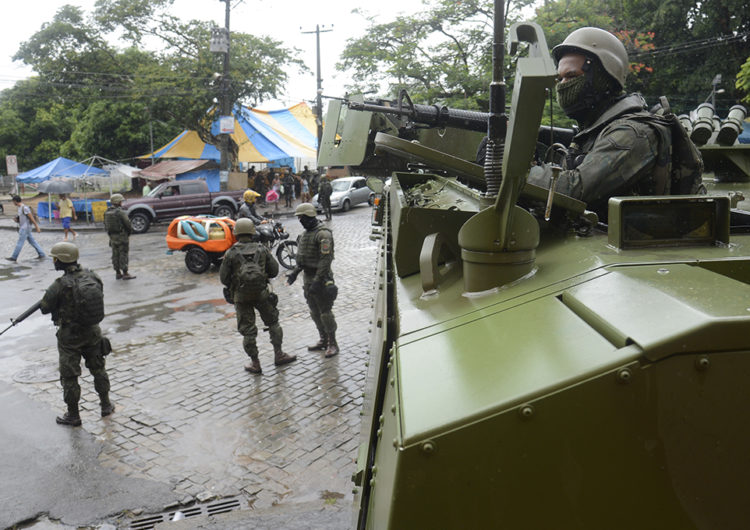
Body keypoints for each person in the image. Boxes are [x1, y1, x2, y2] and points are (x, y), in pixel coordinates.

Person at [526, 27, 703, 221]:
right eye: (560, 78)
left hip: (641, 245)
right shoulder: (596, 131)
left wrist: (514, 172)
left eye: (572, 76)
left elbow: (574, 190)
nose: (562, 86)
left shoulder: (632, 133)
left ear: (603, 77)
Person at [41, 242, 114, 426]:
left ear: (62, 260)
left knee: (70, 375)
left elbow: (44, 307)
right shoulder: (92, 276)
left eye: (55, 258)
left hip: (70, 337)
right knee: (98, 369)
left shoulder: (59, 285)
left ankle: (73, 415)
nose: (54, 261)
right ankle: (106, 405)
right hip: (92, 331)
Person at [219, 218, 296, 374]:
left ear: (237, 234)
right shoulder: (262, 249)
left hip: (241, 297)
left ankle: (255, 363)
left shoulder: (231, 253)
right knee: (273, 323)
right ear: (252, 232)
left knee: (248, 331)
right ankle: (279, 354)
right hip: (262, 294)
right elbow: (274, 270)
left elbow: (224, 279)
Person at [286, 203, 339, 357]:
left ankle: (332, 343)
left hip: (322, 278)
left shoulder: (323, 235)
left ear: (310, 216)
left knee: (325, 312)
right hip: (308, 278)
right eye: (299, 218)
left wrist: (318, 280)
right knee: (314, 312)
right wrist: (294, 273)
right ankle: (323, 339)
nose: (300, 220)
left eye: (302, 217)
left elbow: (325, 260)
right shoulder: (304, 235)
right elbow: (301, 259)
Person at [103, 193, 136, 280]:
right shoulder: (120, 212)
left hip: (112, 237)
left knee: (115, 255)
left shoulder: (107, 212)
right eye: (121, 201)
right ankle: (125, 273)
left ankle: (118, 273)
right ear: (118, 202)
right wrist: (129, 232)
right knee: (123, 254)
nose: (122, 202)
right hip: (122, 236)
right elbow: (127, 223)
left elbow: (105, 225)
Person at [7, 195, 45, 262]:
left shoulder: (25, 208)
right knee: (32, 241)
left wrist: (37, 227)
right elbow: (22, 218)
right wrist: (17, 220)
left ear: (15, 201)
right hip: (24, 227)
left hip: (25, 228)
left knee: (20, 243)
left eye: (13, 202)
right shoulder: (19, 208)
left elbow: (31, 218)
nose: (13, 203)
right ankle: (41, 254)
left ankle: (14, 257)